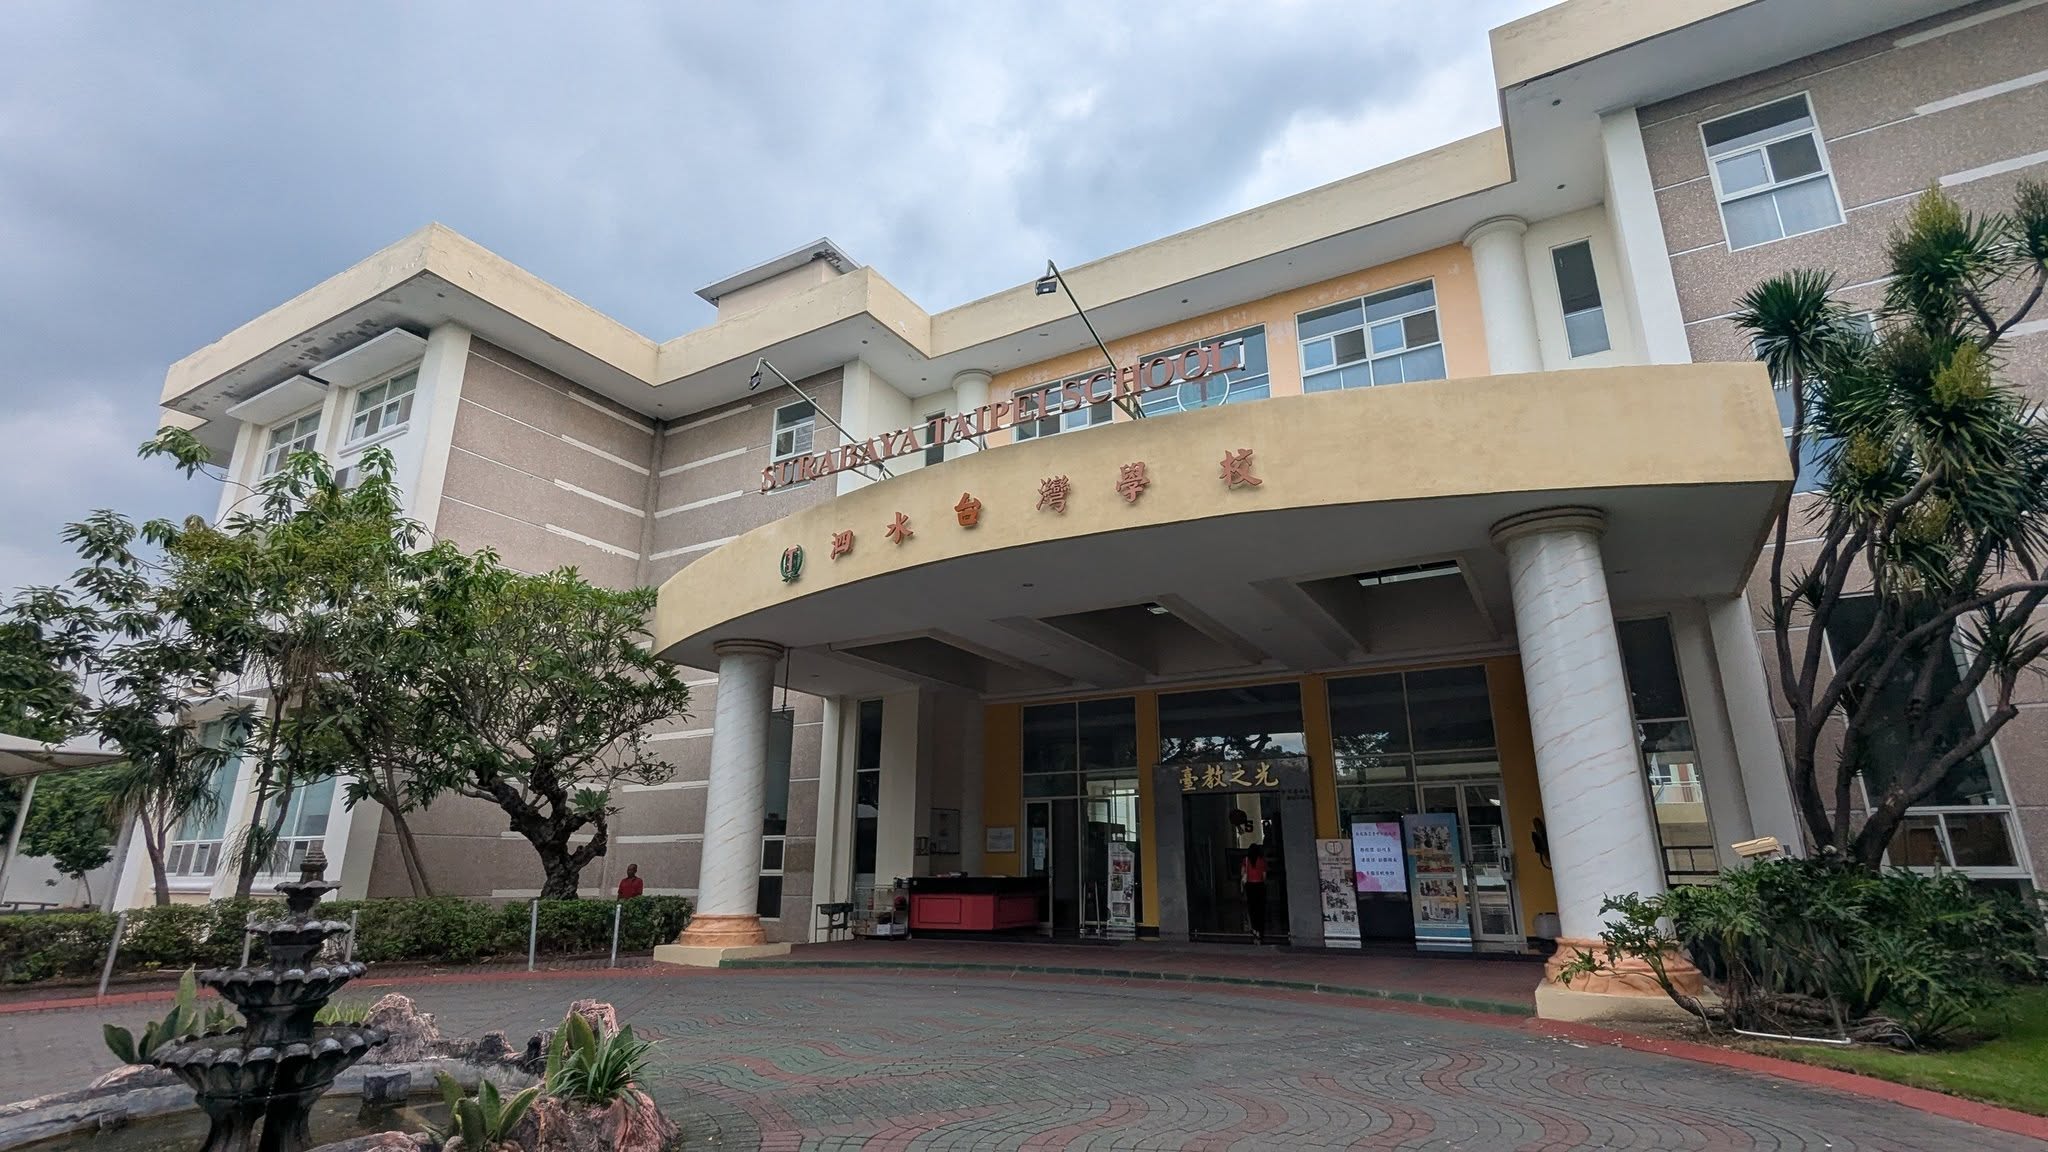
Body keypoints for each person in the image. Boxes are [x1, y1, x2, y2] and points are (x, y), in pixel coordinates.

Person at [1241, 842, 1268, 944]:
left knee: (1252, 909)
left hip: (1250, 886)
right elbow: (1264, 876)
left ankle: (1255, 931)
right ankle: (1260, 932)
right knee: (1260, 910)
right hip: (1260, 886)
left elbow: (1242, 873)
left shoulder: (1246, 860)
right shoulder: (1262, 860)